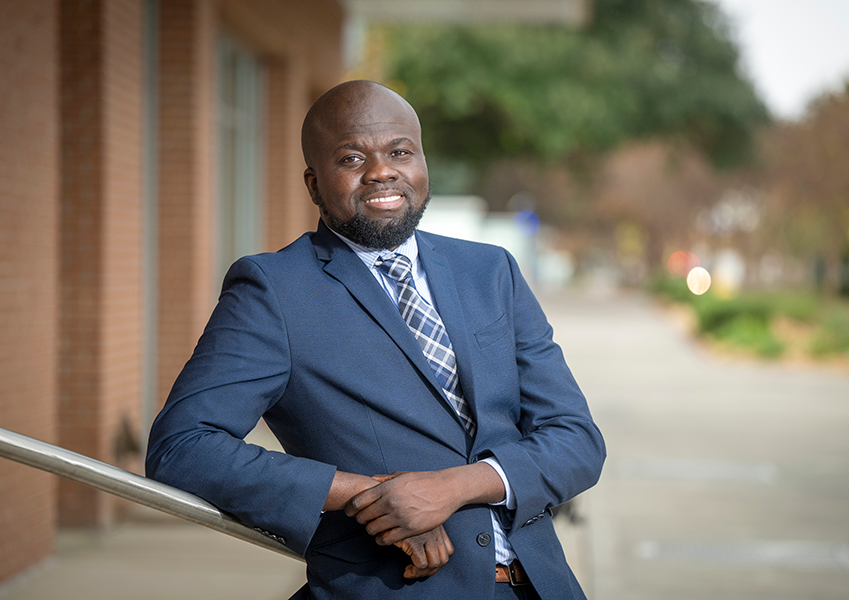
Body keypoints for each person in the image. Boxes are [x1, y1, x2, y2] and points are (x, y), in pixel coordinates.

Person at [146, 80, 605, 600]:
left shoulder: (489, 271)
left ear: (423, 163)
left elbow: (576, 440)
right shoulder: (274, 291)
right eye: (350, 158)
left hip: (542, 587)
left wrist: (450, 488)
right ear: (314, 184)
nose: (382, 171)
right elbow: (182, 447)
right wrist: (366, 494)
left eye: (400, 152)